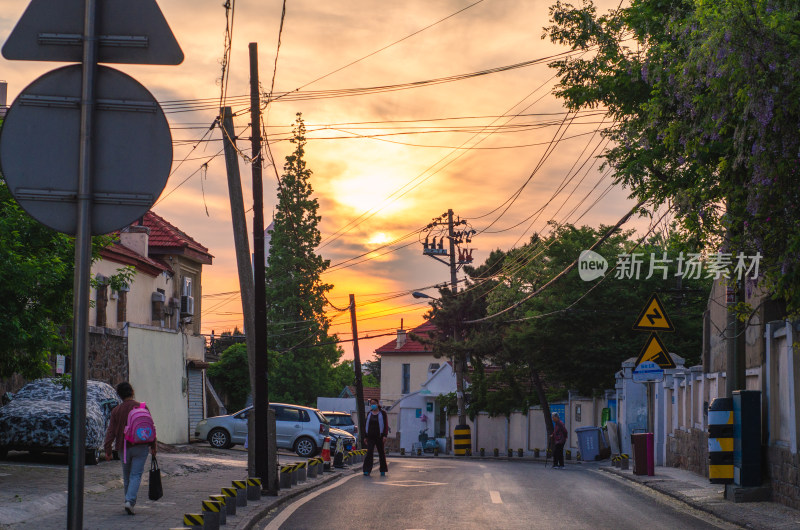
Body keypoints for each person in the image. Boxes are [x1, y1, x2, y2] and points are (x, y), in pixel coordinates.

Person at [103, 382, 157, 515]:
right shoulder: (142, 407)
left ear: (119, 395)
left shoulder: (116, 410)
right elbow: (151, 427)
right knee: (136, 475)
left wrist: (108, 450)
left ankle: (128, 501)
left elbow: (111, 432)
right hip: (141, 446)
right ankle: (129, 501)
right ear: (132, 392)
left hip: (124, 447)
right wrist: (153, 446)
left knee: (127, 476)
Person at [362, 398, 389, 477]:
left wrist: (385, 435)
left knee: (381, 453)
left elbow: (385, 425)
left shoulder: (382, 413)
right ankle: (367, 470)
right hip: (370, 436)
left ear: (377, 404)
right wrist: (365, 436)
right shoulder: (369, 413)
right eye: (371, 404)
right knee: (369, 452)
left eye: (374, 403)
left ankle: (383, 469)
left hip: (379, 436)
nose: (372, 405)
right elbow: (366, 425)